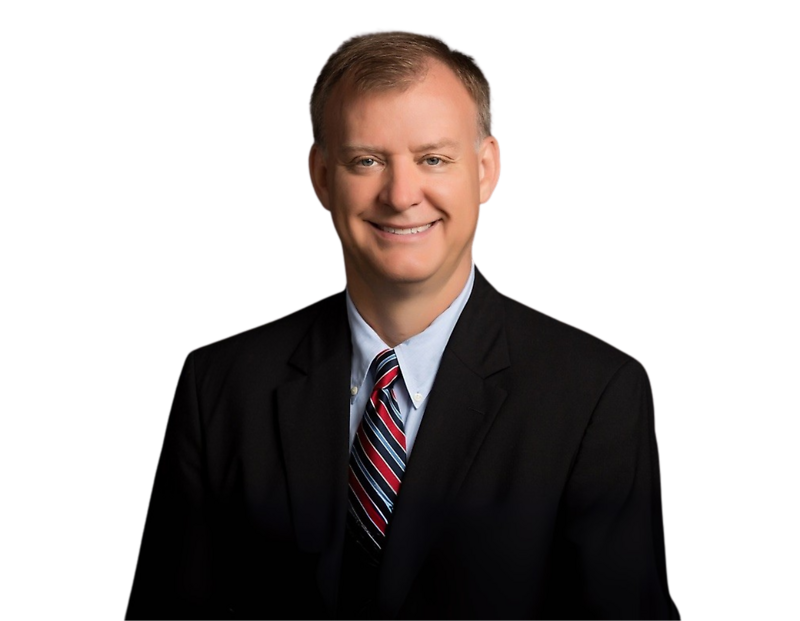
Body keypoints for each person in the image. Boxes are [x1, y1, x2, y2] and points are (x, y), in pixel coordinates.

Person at [128, 28, 680, 619]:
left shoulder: (595, 394)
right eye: (366, 160)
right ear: (318, 175)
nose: (400, 194)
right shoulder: (219, 385)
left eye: (433, 159)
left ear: (489, 169)